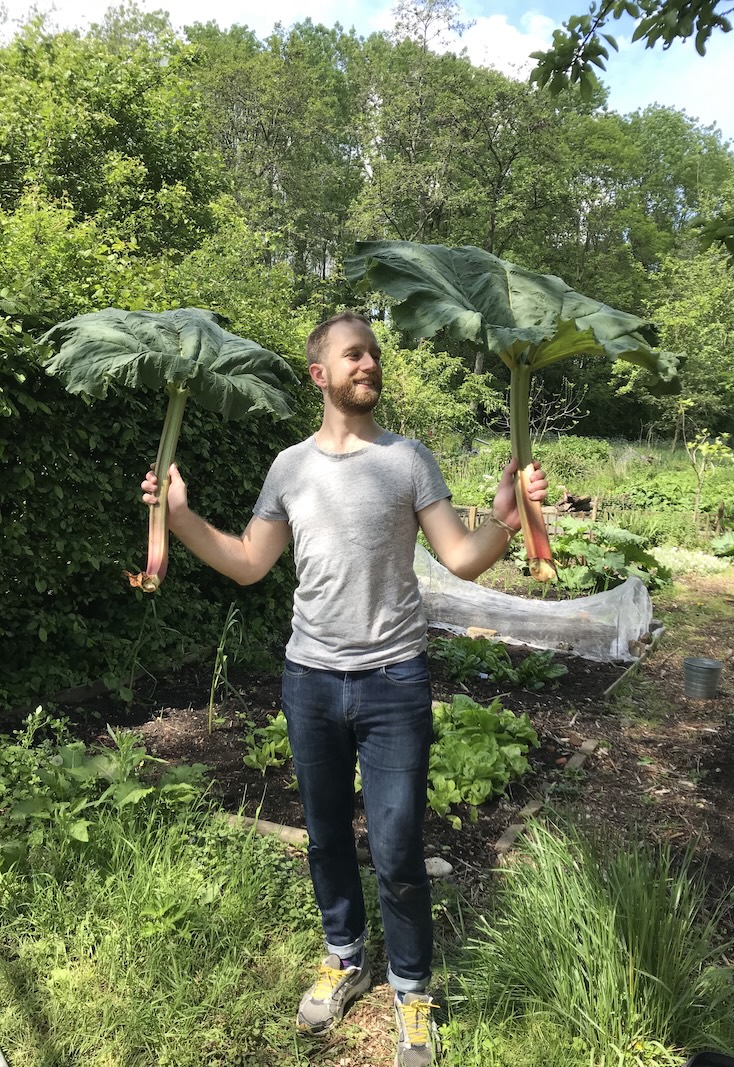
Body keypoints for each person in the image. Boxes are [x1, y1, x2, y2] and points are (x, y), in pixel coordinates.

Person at [141, 311, 548, 1067]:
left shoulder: (408, 459)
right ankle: (345, 953)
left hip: (395, 679)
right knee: (327, 835)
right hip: (311, 679)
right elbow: (248, 562)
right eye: (352, 354)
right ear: (319, 374)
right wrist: (183, 516)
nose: (368, 363)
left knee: (396, 846)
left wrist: (504, 519)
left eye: (374, 353)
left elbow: (461, 558)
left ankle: (412, 989)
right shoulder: (289, 467)